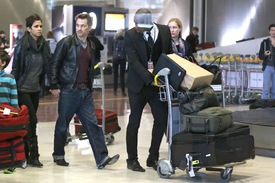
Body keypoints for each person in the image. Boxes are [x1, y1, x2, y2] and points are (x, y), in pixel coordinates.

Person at [49, 13, 119, 168]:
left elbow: (89, 67)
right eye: (77, 25)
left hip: (85, 92)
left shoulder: (92, 45)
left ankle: (102, 158)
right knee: (62, 125)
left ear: (90, 27)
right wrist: (53, 85)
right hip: (69, 90)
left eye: (83, 25)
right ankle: (58, 155)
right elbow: (54, 64)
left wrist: (90, 85)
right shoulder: (66, 43)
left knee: (93, 125)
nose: (79, 28)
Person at [124, 8, 173, 172]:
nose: (136, 28)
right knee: (134, 122)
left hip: (157, 86)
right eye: (135, 24)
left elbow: (169, 55)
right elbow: (134, 61)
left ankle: (153, 157)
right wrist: (150, 79)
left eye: (139, 25)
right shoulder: (130, 35)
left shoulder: (164, 31)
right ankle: (132, 160)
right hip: (138, 86)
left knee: (161, 119)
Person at [11, 14, 52, 168]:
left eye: (41, 26)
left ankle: (26, 155)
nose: (39, 29)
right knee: (32, 120)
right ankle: (33, 155)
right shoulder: (22, 45)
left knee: (29, 123)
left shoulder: (44, 46)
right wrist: (12, 90)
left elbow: (48, 65)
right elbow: (16, 68)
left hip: (35, 89)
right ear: (29, 29)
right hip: (22, 89)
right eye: (36, 26)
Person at [0, 50, 18, 174]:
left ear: (3, 63)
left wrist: (15, 112)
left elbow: (14, 97)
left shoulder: (9, 78)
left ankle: (11, 163)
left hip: (6, 113)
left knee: (8, 138)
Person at [259, 24, 275, 99]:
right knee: (265, 88)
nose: (273, 32)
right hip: (267, 67)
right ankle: (263, 106)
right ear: (269, 31)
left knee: (274, 90)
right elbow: (260, 56)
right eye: (272, 30)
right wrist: (265, 54)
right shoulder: (265, 42)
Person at [112, 29, 127, 96]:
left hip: (115, 59)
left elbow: (112, 49)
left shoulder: (114, 40)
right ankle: (123, 91)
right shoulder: (125, 40)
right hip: (123, 59)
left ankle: (115, 91)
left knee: (115, 75)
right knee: (122, 75)